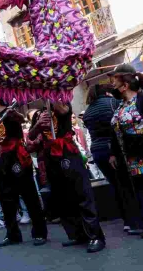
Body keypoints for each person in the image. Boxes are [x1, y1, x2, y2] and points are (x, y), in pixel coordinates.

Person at [29, 102, 105, 253]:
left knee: (82, 195)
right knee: (62, 198)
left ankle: (95, 236)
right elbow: (31, 135)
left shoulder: (61, 101)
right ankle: (76, 234)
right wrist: (38, 123)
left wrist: (51, 96)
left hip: (67, 153)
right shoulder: (42, 111)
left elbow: (63, 110)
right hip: (50, 157)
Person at [83, 84, 143, 234]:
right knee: (128, 184)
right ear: (107, 92)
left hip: (98, 151)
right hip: (114, 148)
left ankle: (127, 221)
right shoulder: (113, 103)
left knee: (115, 186)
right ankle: (139, 220)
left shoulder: (88, 111)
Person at [108, 64, 143, 239]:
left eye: (115, 80)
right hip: (131, 157)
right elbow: (115, 131)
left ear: (125, 85)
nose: (112, 84)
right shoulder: (121, 105)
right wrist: (114, 153)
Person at [0, 100, 47, 247]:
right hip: (5, 158)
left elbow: (21, 118)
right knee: (5, 197)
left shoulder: (10, 113)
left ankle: (39, 232)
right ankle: (12, 234)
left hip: (18, 156)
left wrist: (16, 113)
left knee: (29, 194)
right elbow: (2, 140)